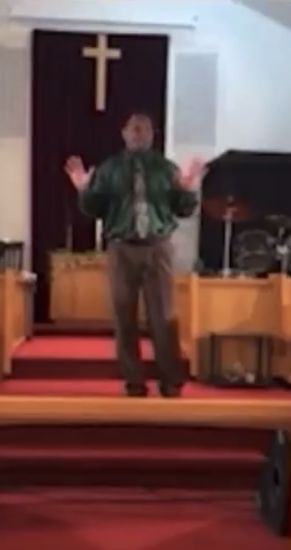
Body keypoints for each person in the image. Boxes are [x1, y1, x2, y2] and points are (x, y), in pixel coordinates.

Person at [64, 111, 204, 398]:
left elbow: (183, 209)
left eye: (145, 130)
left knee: (164, 318)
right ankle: (134, 382)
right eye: (134, 129)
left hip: (157, 247)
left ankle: (170, 382)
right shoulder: (110, 168)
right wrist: (84, 190)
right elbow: (94, 209)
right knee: (123, 316)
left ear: (152, 135)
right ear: (124, 133)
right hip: (122, 248)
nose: (139, 134)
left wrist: (190, 190)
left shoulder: (166, 169)